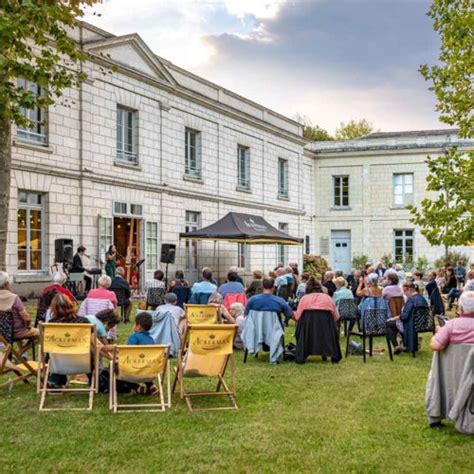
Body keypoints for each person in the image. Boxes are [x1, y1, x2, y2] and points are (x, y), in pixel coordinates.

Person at [47, 293, 89, 388]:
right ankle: (94, 380)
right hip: (82, 362)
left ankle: (55, 380)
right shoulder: (84, 322)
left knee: (55, 350)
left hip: (58, 363)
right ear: (70, 304)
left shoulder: (50, 325)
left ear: (53, 308)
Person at [386, 281, 429, 354]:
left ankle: (396, 346)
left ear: (408, 289)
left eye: (404, 291)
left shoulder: (411, 300)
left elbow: (404, 317)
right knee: (395, 323)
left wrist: (394, 318)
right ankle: (404, 344)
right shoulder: (422, 298)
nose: (404, 293)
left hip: (412, 324)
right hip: (422, 323)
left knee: (388, 324)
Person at [0, 271, 39, 345]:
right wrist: (27, 325)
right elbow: (26, 318)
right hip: (17, 332)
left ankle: (18, 354)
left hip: (1, 334)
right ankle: (21, 353)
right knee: (40, 333)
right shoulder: (14, 298)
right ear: (6, 284)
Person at [126, 312, 159, 395]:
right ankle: (150, 386)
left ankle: (137, 387)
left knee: (116, 369)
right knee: (144, 362)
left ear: (138, 327)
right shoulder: (151, 340)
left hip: (133, 370)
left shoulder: (134, 337)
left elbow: (128, 353)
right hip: (148, 370)